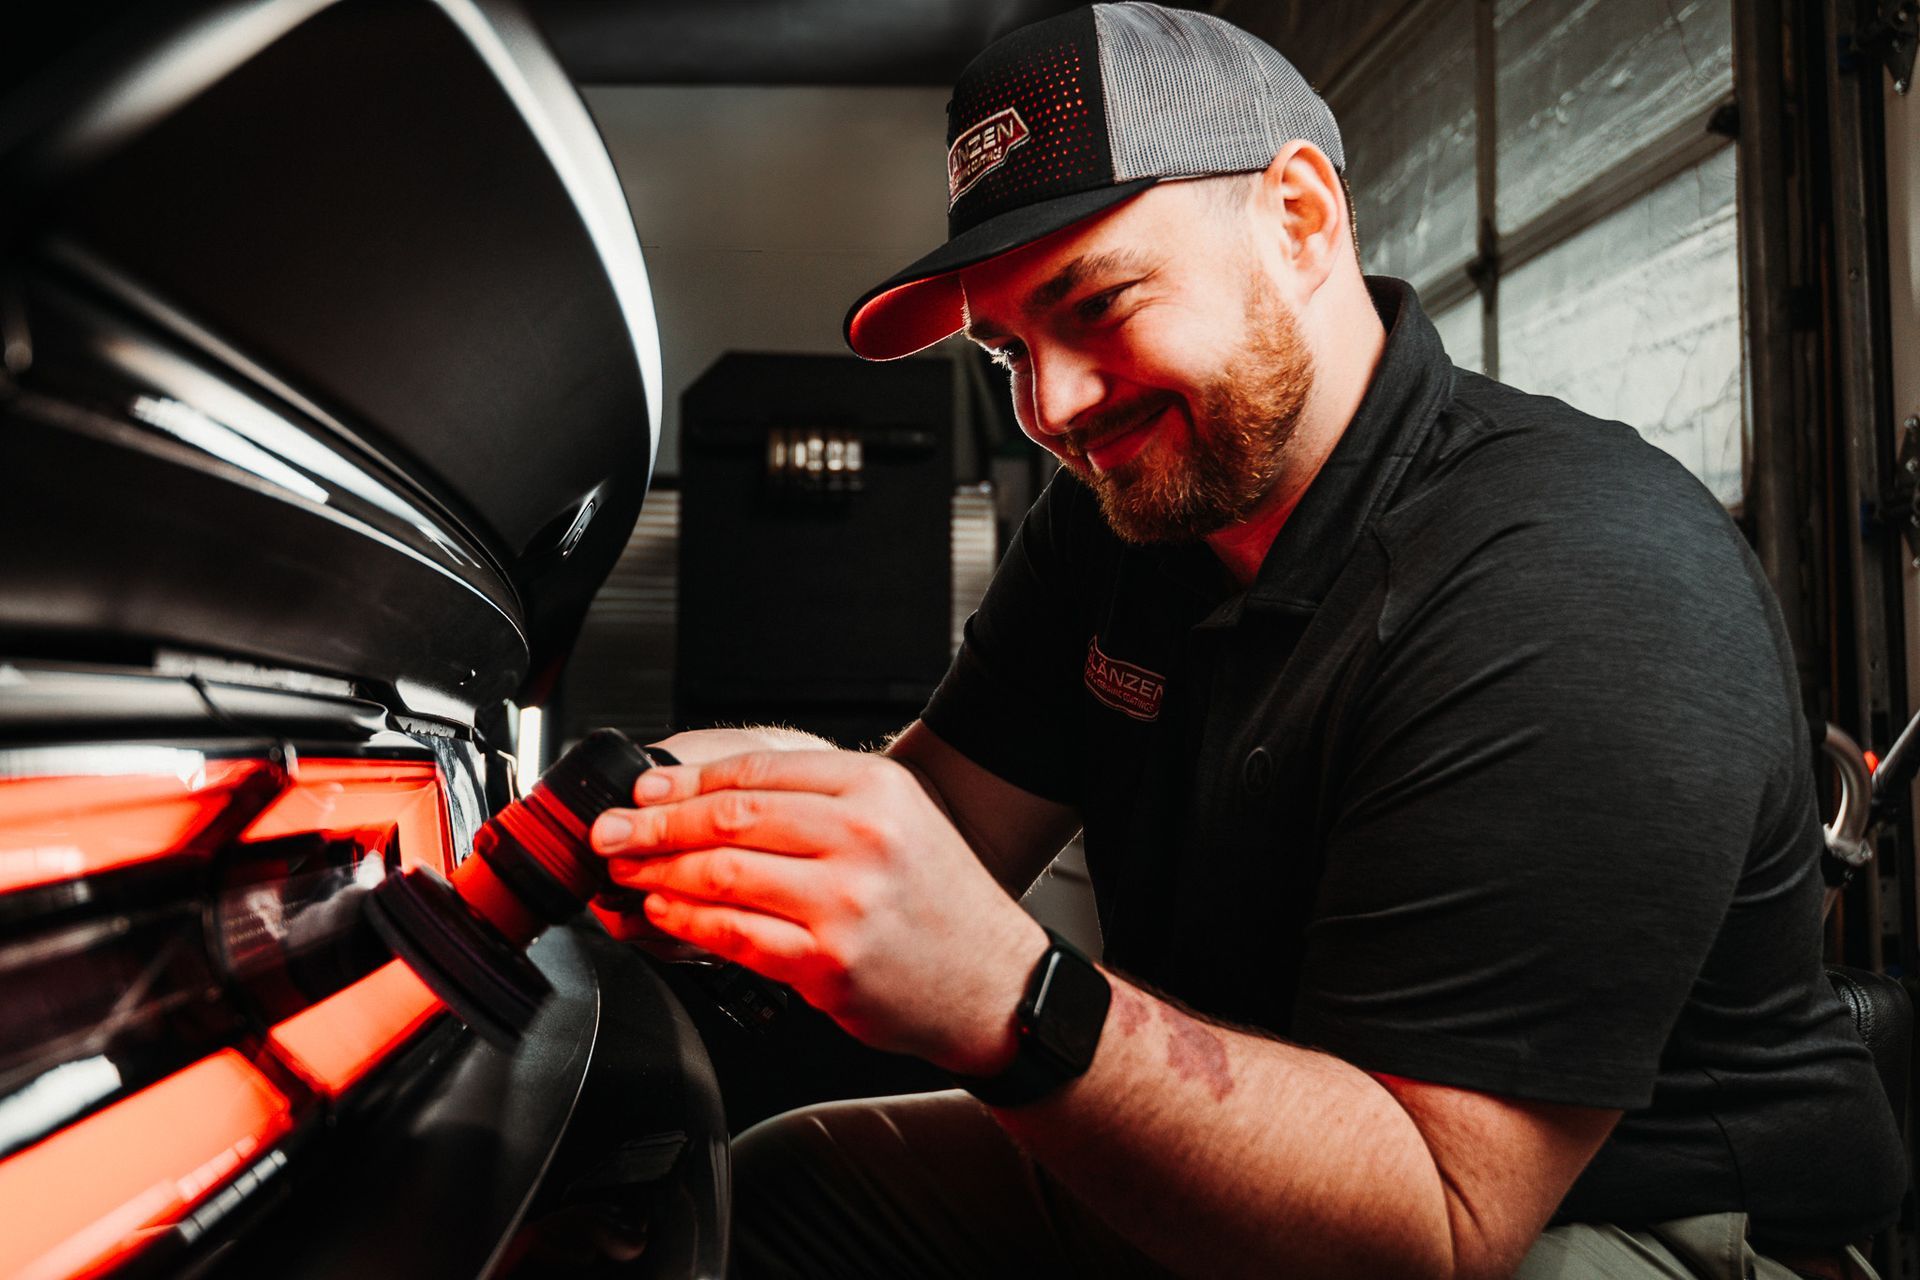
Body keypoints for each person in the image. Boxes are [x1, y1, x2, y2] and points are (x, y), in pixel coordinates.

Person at [588, 5, 1907, 1277]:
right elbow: (933, 814)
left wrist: (1008, 997)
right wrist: (645, 805)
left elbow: (1434, 1228)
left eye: (1096, 305)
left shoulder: (1574, 575)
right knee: (788, 1199)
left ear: (1300, 217)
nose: (1053, 407)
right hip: (1275, 1142)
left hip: (1622, 1227)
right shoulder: (1123, 520)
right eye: (1009, 354)